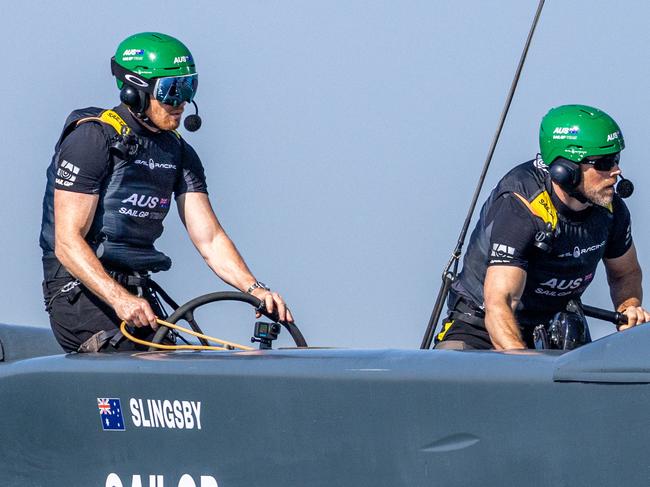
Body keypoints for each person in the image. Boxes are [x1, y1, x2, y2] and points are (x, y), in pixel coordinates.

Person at [40, 32, 293, 352]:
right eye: (172, 91)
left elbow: (210, 238)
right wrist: (118, 298)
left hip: (138, 293)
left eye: (189, 87)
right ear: (135, 90)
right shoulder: (92, 139)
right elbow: (66, 242)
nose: (182, 103)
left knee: (187, 362)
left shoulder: (179, 153)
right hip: (79, 294)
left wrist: (254, 289)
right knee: (147, 366)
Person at [434, 104, 650, 350]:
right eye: (604, 163)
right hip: (482, 325)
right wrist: (526, 371)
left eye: (616, 159)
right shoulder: (522, 208)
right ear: (565, 170)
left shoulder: (611, 209)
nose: (616, 171)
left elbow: (626, 273)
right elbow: (500, 303)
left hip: (556, 327)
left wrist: (628, 308)